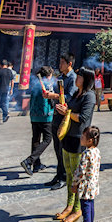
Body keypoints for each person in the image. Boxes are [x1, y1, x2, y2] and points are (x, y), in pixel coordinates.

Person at [53, 68, 96, 222]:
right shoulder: (76, 93)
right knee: (69, 175)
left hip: (80, 139)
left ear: (85, 79)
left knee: (77, 178)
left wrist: (68, 112)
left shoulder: (89, 96)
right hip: (68, 138)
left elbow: (83, 118)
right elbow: (68, 109)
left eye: (79, 76)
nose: (76, 78)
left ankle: (77, 209)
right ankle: (69, 206)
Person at [45, 52, 78, 191]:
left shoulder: (73, 78)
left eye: (62, 63)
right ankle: (58, 175)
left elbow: (70, 97)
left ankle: (64, 177)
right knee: (57, 148)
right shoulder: (61, 77)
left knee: (62, 148)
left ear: (69, 64)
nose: (60, 66)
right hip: (56, 116)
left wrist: (53, 95)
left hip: (65, 117)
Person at [20, 66, 56, 176]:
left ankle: (36, 164)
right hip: (45, 116)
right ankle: (29, 161)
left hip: (34, 116)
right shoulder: (46, 84)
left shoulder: (35, 83)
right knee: (47, 139)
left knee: (35, 139)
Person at [73, 126, 101, 222]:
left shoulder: (86, 154)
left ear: (90, 140)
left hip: (85, 187)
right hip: (93, 185)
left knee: (86, 211)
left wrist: (74, 184)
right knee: (91, 207)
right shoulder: (96, 151)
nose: (81, 137)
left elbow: (80, 172)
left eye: (83, 136)